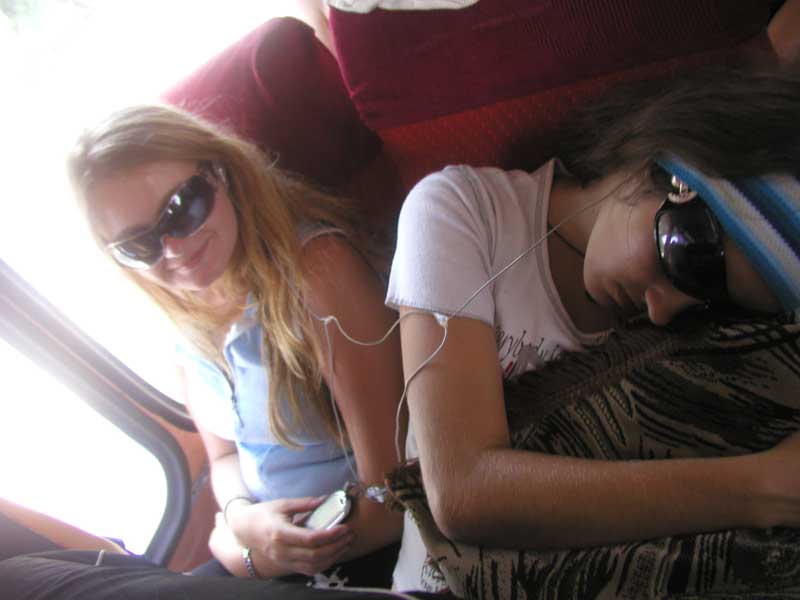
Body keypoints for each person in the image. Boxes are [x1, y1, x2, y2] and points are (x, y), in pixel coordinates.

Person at [386, 64, 800, 591]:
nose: (661, 312)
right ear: (662, 160)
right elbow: (463, 490)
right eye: (686, 256)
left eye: (710, 304)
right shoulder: (464, 210)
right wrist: (763, 486)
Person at [67, 105, 405, 586]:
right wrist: (242, 515)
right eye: (139, 244)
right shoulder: (184, 319)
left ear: (221, 171)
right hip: (272, 547)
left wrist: (239, 553)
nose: (173, 250)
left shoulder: (317, 271)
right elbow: (225, 458)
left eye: (182, 209)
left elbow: (393, 497)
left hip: (356, 545)